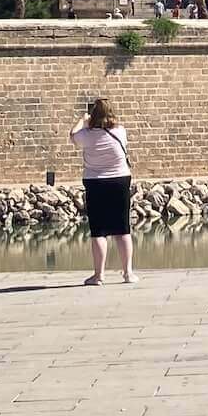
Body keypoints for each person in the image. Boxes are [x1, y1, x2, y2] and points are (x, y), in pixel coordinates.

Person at [71, 97, 136, 286]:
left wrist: (82, 121)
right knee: (123, 229)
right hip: (120, 180)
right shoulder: (120, 131)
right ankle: (128, 273)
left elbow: (72, 136)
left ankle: (98, 275)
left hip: (95, 182)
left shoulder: (86, 135)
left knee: (98, 231)